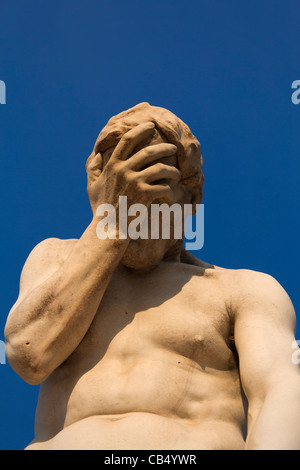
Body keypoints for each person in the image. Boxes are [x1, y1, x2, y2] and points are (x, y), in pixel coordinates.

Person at [4, 103, 300, 450]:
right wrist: (112, 223)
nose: (139, 205)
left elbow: (278, 393)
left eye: (155, 186)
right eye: (125, 189)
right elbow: (29, 355)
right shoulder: (54, 257)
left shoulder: (242, 290)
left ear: (191, 199)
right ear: (98, 191)